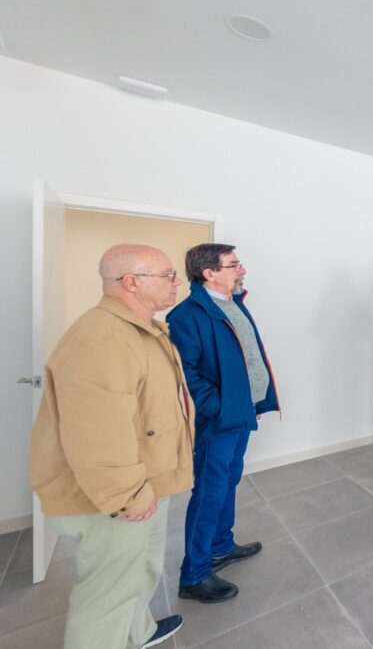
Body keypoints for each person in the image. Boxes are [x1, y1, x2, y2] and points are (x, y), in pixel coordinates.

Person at [28, 244, 192, 649]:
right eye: (167, 275)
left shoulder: (142, 330)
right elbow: (96, 431)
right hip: (119, 496)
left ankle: (138, 633)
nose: (177, 282)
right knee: (108, 596)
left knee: (140, 571)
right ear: (131, 282)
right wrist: (126, 496)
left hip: (148, 482)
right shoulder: (102, 338)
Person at [167, 243, 279, 603]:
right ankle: (194, 575)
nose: (241, 270)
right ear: (209, 273)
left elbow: (245, 358)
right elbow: (186, 374)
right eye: (234, 265)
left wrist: (251, 401)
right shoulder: (187, 316)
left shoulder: (232, 303)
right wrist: (220, 407)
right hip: (220, 419)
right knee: (209, 491)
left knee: (229, 479)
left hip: (241, 412)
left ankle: (221, 546)